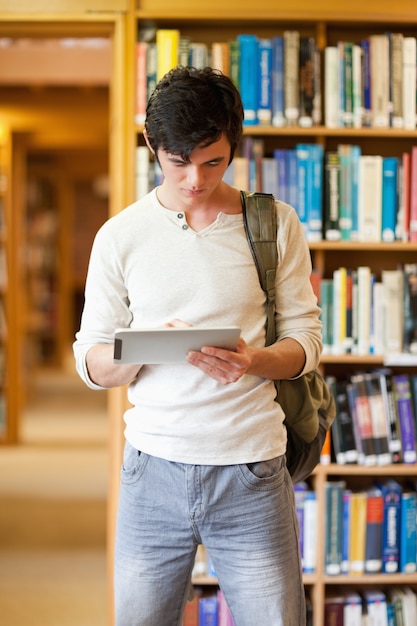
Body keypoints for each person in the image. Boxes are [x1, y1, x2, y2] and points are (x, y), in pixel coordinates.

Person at [73, 65, 322, 626]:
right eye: (178, 162)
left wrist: (255, 360)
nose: (194, 179)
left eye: (213, 161)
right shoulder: (120, 236)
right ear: (152, 146)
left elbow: (306, 341)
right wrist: (144, 349)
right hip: (151, 473)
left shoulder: (274, 225)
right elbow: (91, 361)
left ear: (235, 145)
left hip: (251, 471)